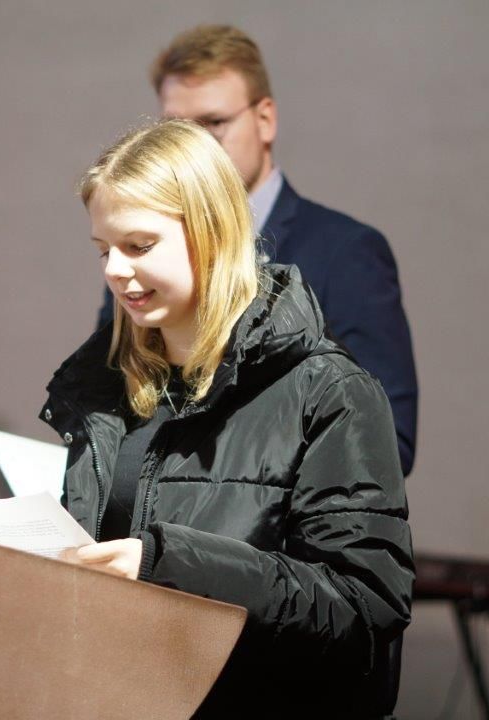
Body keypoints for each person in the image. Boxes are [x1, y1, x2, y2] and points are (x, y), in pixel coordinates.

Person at [43, 119, 413, 717]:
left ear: (212, 233)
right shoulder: (105, 392)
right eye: (104, 250)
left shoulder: (329, 391)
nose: (113, 269)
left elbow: (363, 609)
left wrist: (169, 563)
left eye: (139, 246)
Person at [99, 24, 419, 476]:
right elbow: (110, 412)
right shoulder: (134, 259)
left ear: (265, 119)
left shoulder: (346, 252)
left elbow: (386, 442)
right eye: (176, 130)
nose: (194, 149)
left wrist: (222, 485)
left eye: (213, 124)